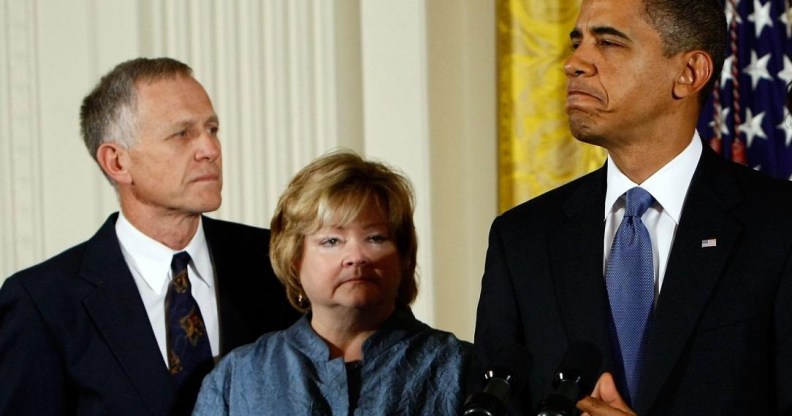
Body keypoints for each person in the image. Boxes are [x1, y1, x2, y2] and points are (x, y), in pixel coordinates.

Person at [473, 0, 792, 415]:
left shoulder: (779, 226)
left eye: (608, 42)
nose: (574, 64)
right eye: (577, 43)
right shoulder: (521, 240)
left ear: (689, 73)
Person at [0, 57, 300, 415]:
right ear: (117, 162)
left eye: (212, 129)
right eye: (182, 133)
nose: (210, 149)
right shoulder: (43, 303)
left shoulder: (279, 260)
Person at [193, 151, 472, 415]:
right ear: (293, 259)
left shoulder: (460, 367)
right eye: (332, 241)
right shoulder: (238, 377)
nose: (356, 257)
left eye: (375, 238)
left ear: (403, 257)